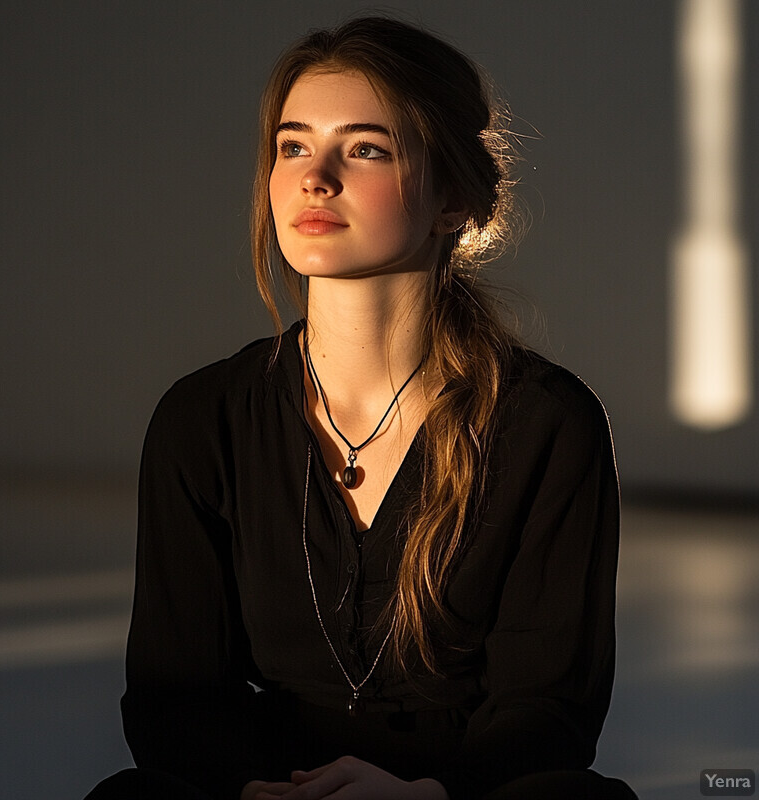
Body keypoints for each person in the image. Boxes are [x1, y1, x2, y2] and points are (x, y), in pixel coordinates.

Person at [85, 16, 638, 800]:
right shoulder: (201, 419)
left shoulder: (547, 424)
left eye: (366, 148)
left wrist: (424, 794)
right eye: (294, 145)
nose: (316, 177)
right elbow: (176, 697)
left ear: (453, 199)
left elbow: (547, 711)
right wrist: (249, 791)